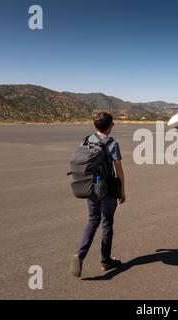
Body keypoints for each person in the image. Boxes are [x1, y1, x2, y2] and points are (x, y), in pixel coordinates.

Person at [70, 112, 126, 278]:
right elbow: (119, 170)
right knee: (107, 223)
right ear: (110, 126)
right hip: (107, 189)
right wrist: (122, 191)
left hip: (90, 187)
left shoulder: (86, 140)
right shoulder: (112, 144)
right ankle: (105, 260)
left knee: (93, 221)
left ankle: (80, 255)